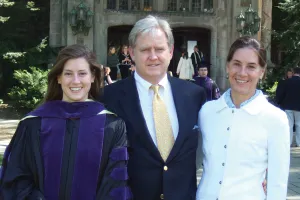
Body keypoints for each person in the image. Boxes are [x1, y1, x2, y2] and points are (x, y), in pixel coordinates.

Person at [0, 44, 131, 200]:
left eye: (82, 73)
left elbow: (115, 185)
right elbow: (17, 179)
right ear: (58, 77)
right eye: (68, 74)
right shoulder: (33, 124)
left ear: (93, 76)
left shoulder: (113, 125)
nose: (75, 81)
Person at [103, 15, 206, 200]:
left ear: (170, 51)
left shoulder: (194, 96)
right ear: (132, 53)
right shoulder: (108, 98)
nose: (153, 56)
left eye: (159, 49)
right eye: (145, 50)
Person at [196, 36, 290, 200]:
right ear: (227, 66)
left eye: (251, 66)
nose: (242, 73)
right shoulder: (207, 112)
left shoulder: (275, 119)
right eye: (237, 64)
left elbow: (278, 184)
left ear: (262, 72)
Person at [276, 67, 300, 147]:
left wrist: (279, 103)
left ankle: (288, 142)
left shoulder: (286, 82)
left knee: (289, 125)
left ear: (293, 72)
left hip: (288, 106)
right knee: (299, 124)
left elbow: (281, 94)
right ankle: (299, 143)